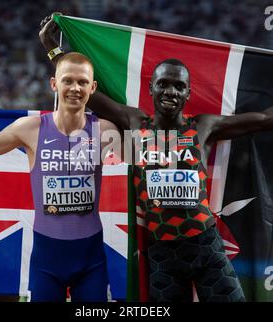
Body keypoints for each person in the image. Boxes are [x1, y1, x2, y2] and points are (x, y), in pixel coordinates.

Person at [39, 14, 273, 302]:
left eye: (178, 87)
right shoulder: (135, 122)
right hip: (162, 253)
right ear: (151, 88)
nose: (170, 92)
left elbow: (263, 119)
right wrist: (53, 48)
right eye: (163, 84)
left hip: (207, 249)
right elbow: (86, 92)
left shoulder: (203, 125)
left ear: (188, 93)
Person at [0, 52, 120, 302]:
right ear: (54, 83)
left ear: (92, 87)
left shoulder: (104, 130)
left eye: (83, 82)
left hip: (91, 259)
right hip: (46, 261)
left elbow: (145, 154)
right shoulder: (30, 129)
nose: (75, 88)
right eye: (68, 80)